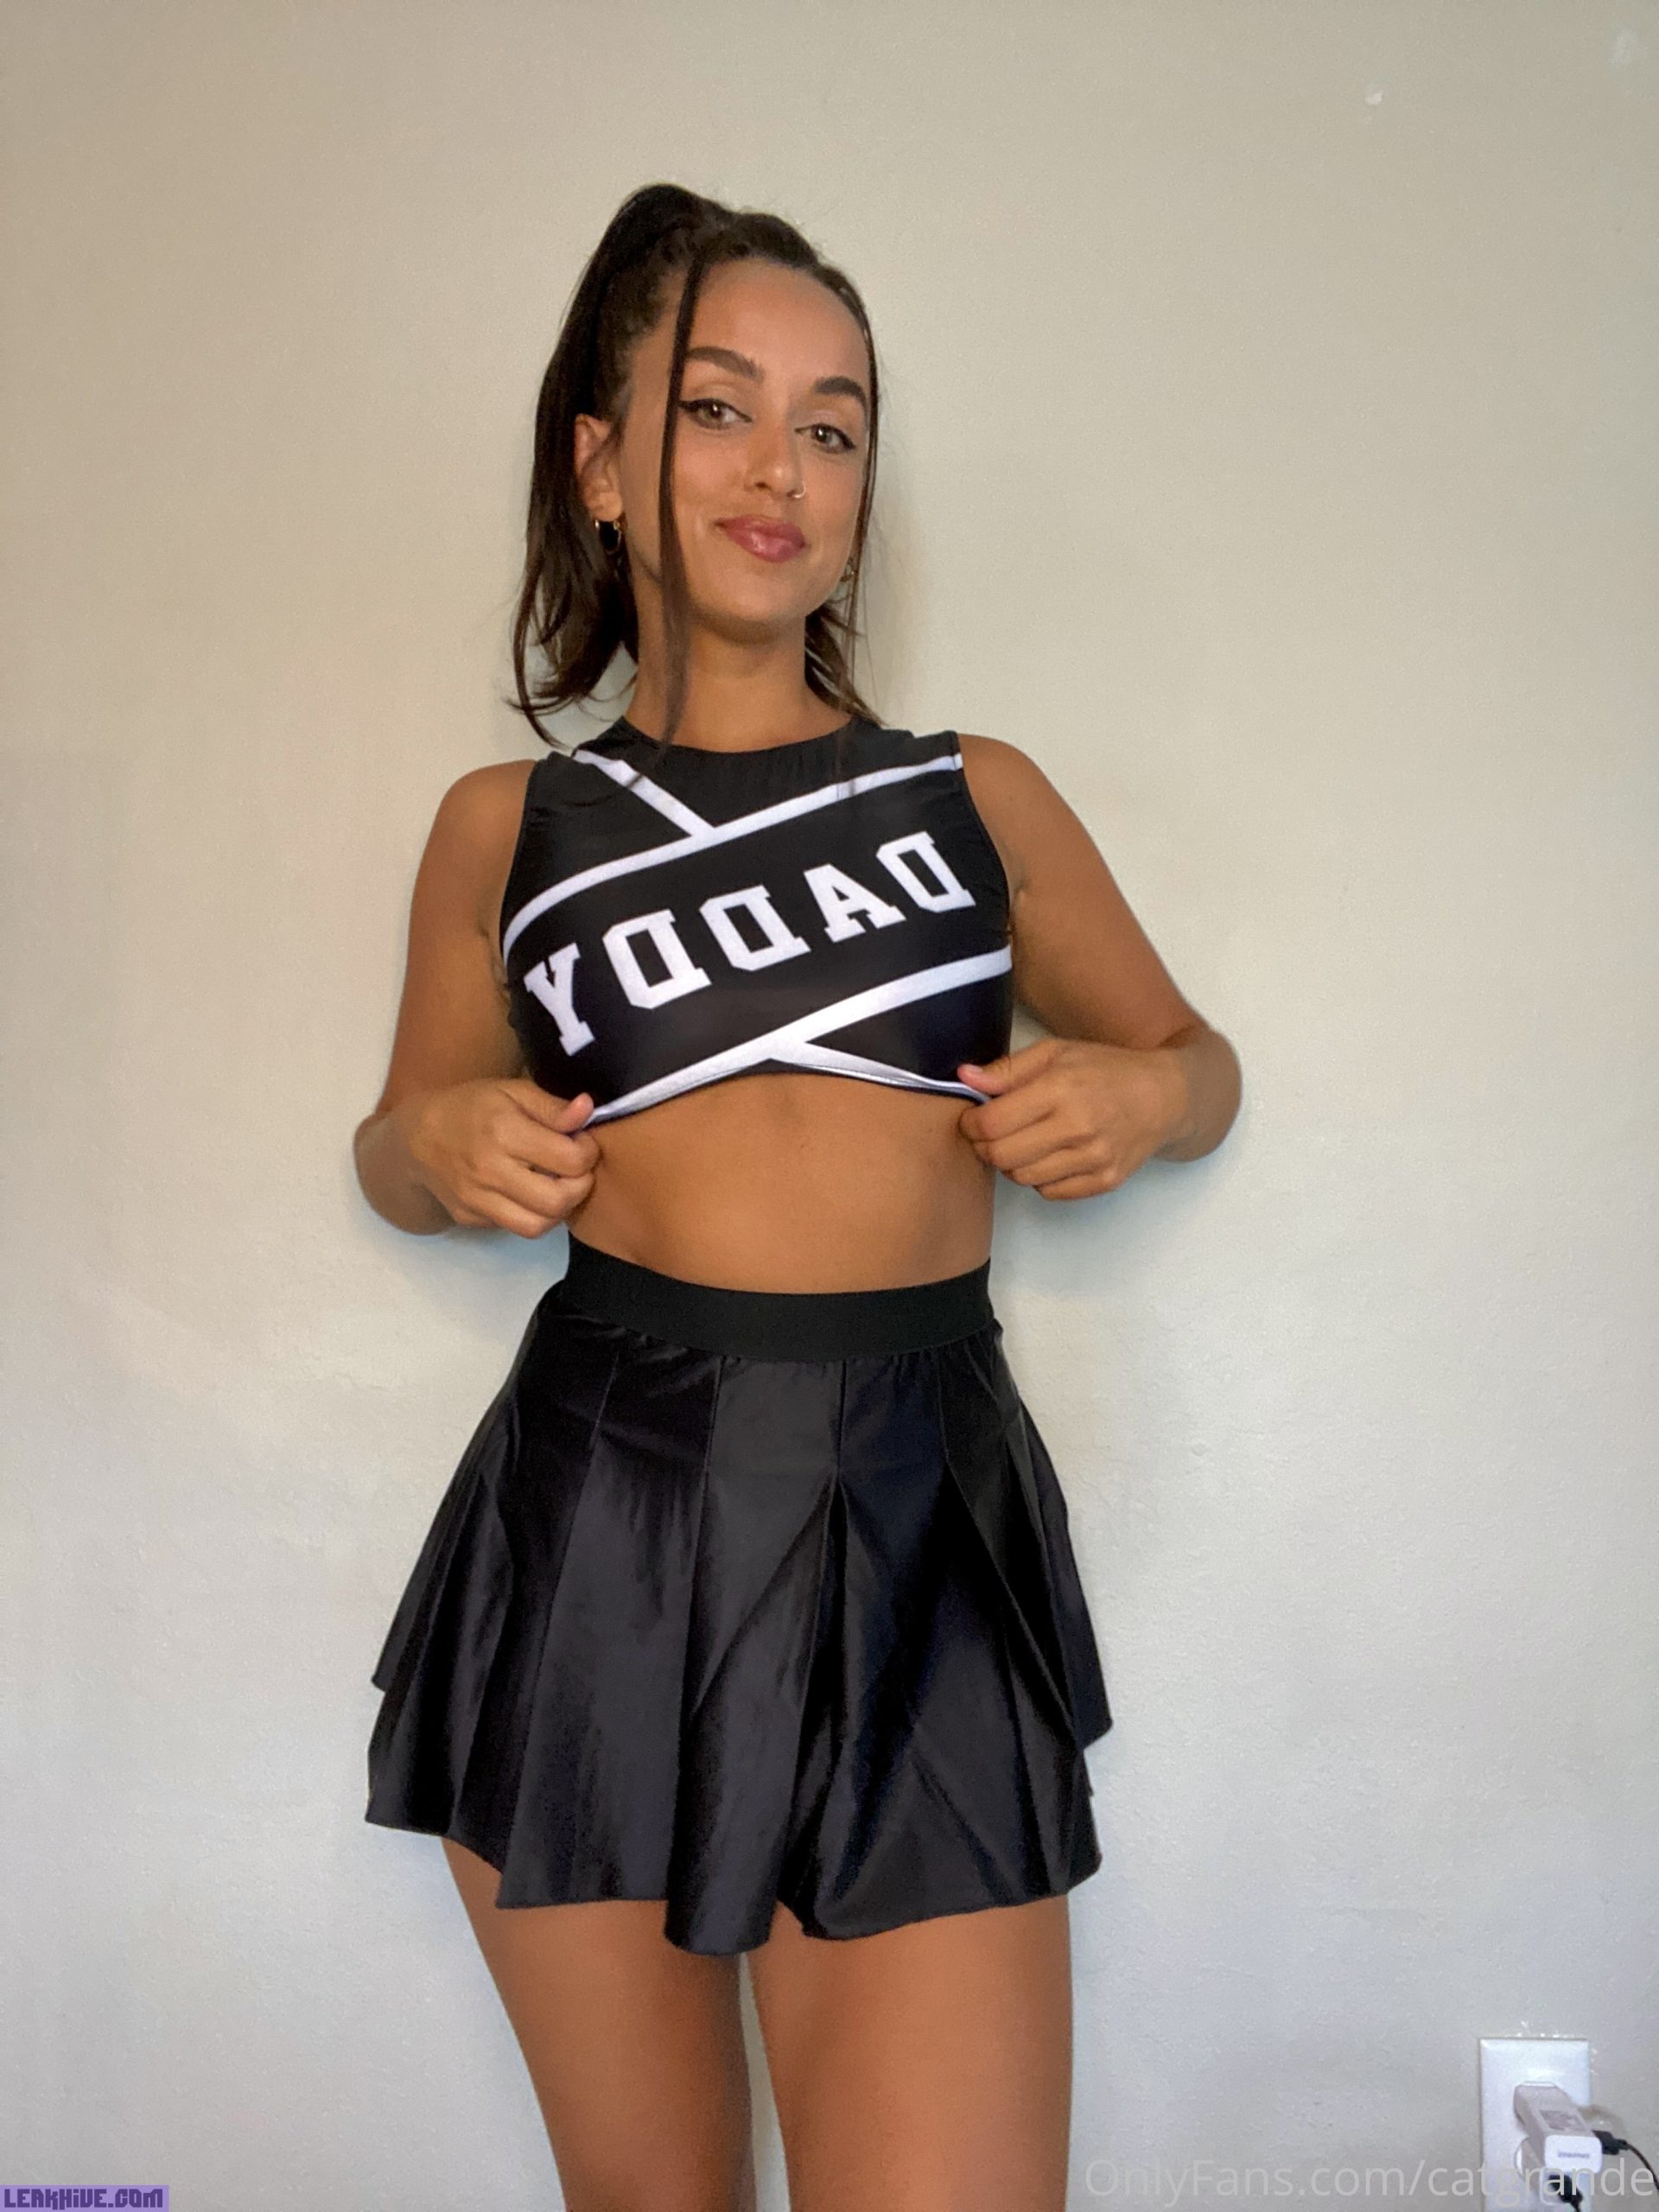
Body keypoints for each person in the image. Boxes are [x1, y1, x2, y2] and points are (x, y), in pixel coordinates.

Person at [353, 182, 1241, 2212]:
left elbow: (1198, 1062)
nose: (782, 467)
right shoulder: (505, 826)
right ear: (602, 464)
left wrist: (1145, 1091)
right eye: (720, 407)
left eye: (833, 426)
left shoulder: (975, 794)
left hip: (922, 1511)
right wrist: (436, 1146)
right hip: (601, 1512)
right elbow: (397, 1142)